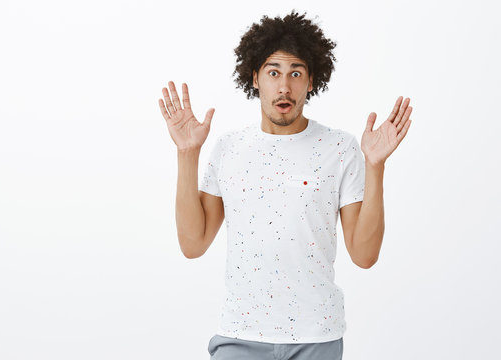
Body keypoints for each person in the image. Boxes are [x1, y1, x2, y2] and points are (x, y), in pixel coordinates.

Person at [158, 10, 412, 360]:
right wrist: (187, 154)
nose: (284, 86)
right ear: (255, 78)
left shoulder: (340, 148)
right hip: (239, 336)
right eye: (273, 72)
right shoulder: (229, 148)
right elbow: (192, 243)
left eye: (296, 73)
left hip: (316, 338)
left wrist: (375, 166)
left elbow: (365, 255)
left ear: (311, 81)